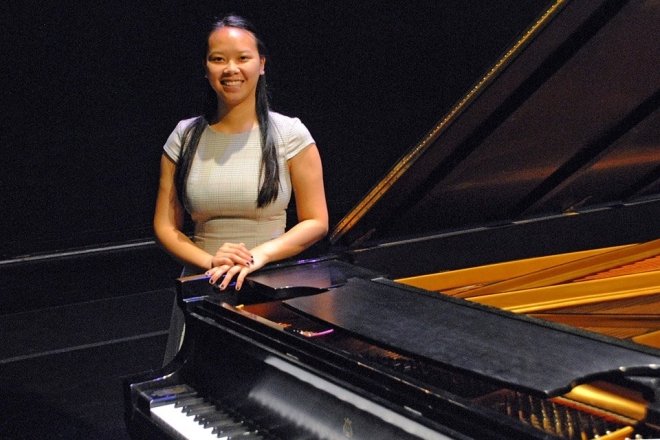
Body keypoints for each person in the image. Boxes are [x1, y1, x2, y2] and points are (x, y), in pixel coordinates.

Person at [154, 15, 328, 364]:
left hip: (271, 284)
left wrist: (258, 255)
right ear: (206, 69)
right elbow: (165, 226)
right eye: (218, 59)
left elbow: (316, 221)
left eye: (242, 58)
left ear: (262, 64)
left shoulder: (290, 133)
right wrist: (210, 262)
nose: (230, 69)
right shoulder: (184, 136)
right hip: (202, 286)